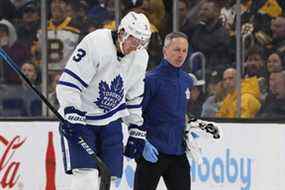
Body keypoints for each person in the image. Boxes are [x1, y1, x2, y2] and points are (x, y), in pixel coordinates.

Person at [56, 11, 151, 190]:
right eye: (134, 40)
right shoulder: (96, 43)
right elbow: (69, 83)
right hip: (82, 120)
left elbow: (134, 96)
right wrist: (71, 111)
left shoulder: (140, 57)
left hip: (111, 122)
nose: (136, 46)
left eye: (141, 42)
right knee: (87, 179)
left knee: (111, 179)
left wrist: (136, 128)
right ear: (122, 32)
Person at [133, 32, 221, 190]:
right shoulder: (150, 80)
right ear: (165, 51)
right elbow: (135, 114)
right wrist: (142, 143)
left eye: (184, 51)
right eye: (176, 50)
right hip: (153, 151)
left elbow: (179, 112)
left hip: (178, 152)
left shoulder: (187, 80)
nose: (181, 55)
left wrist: (193, 123)